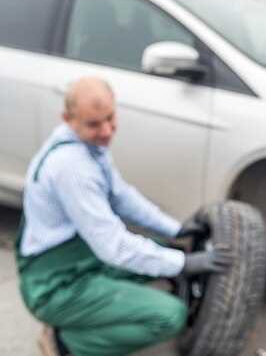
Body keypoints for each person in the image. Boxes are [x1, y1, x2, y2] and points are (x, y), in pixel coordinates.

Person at [15, 77, 232, 356]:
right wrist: (183, 263)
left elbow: (121, 196)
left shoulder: (87, 146)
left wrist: (176, 230)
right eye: (94, 124)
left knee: (162, 253)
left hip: (80, 259)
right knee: (169, 316)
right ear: (68, 119)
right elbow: (113, 246)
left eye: (110, 118)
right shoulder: (71, 168)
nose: (106, 131)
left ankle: (88, 316)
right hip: (56, 285)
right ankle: (65, 343)